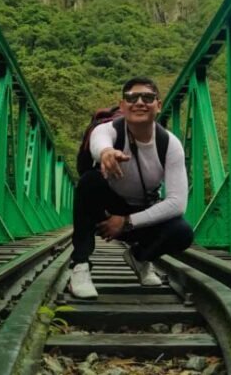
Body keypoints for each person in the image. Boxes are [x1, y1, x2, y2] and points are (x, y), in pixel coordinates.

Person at [68, 77, 194, 299]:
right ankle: (80, 265)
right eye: (131, 98)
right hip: (105, 211)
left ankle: (139, 257)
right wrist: (106, 153)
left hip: (139, 214)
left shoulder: (170, 144)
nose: (139, 102)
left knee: (182, 232)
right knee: (89, 181)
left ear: (158, 104)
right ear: (123, 104)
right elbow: (100, 141)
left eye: (147, 97)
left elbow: (177, 203)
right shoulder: (110, 130)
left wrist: (126, 222)